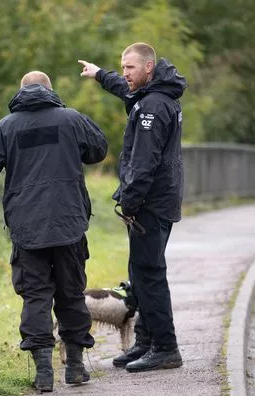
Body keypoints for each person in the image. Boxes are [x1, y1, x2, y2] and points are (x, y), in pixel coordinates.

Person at [0, 71, 108, 391]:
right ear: (49, 90)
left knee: (36, 296)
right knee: (71, 293)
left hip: (27, 229)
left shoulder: (6, 128)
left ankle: (44, 373)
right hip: (69, 223)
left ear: (21, 91)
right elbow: (98, 150)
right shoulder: (72, 120)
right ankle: (74, 367)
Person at [78, 42, 185, 373]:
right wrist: (99, 75)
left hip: (150, 205)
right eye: (121, 67)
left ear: (148, 68)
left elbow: (143, 163)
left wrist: (130, 202)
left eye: (130, 68)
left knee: (150, 274)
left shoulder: (152, 106)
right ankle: (145, 341)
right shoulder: (149, 95)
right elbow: (124, 89)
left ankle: (165, 347)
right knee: (140, 272)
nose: (124, 74)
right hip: (156, 201)